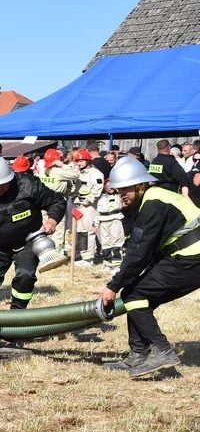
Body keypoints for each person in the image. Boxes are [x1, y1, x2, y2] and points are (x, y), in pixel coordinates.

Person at [99, 159, 200, 378]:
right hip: (188, 255)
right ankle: (139, 355)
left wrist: (113, 286)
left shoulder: (153, 204)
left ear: (141, 185)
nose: (121, 193)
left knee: (134, 294)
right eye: (119, 190)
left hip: (192, 257)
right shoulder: (155, 197)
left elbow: (139, 252)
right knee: (136, 295)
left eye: (126, 188)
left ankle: (162, 350)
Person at [0, 156, 65, 311]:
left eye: (3, 184)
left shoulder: (29, 185)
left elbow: (57, 201)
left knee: (25, 275)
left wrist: (51, 221)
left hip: (28, 242)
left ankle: (17, 313)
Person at [38, 148, 81, 254]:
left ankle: (46, 249)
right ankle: (57, 252)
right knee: (58, 226)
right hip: (57, 200)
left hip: (43, 201)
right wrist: (63, 165)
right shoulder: (59, 171)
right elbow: (76, 175)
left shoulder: (42, 172)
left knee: (46, 225)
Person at [74, 149, 105, 266]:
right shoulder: (79, 173)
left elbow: (98, 187)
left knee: (89, 231)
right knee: (81, 231)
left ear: (87, 161)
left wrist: (89, 199)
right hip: (79, 205)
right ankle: (84, 256)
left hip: (89, 206)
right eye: (78, 161)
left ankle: (89, 258)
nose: (79, 163)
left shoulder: (95, 173)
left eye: (82, 161)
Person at [97, 182, 124, 269]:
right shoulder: (101, 199)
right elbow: (98, 212)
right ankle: (107, 263)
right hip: (104, 221)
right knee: (105, 243)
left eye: (112, 186)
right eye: (107, 186)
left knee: (116, 241)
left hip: (115, 219)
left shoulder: (119, 196)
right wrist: (96, 223)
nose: (109, 188)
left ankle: (117, 264)